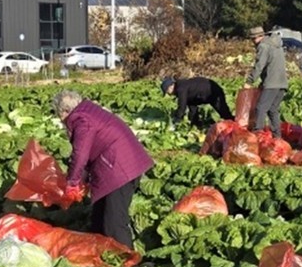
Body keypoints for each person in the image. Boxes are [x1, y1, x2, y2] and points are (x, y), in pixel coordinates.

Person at [53, 90, 154, 249]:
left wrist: (72, 182)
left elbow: (80, 154)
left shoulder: (82, 120)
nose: (62, 121)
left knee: (114, 221)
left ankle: (130, 263)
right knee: (99, 216)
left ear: (65, 111)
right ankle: (99, 252)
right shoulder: (88, 111)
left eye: (60, 116)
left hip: (119, 169)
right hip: (119, 164)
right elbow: (91, 149)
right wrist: (84, 178)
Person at [244, 26, 289, 138]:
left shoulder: (263, 46)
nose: (253, 42)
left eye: (253, 39)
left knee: (260, 108)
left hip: (272, 83)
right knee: (273, 110)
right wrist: (262, 82)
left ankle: (257, 135)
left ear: (259, 37)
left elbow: (259, 66)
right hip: (282, 82)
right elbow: (271, 66)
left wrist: (249, 81)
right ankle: (277, 137)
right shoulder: (276, 45)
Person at [161, 76, 233, 129]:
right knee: (192, 107)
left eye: (167, 92)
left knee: (225, 114)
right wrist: (194, 122)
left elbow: (182, 107)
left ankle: (236, 128)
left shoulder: (181, 88)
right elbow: (191, 104)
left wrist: (176, 120)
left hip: (213, 91)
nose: (169, 94)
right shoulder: (182, 86)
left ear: (171, 86)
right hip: (206, 94)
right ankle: (196, 124)